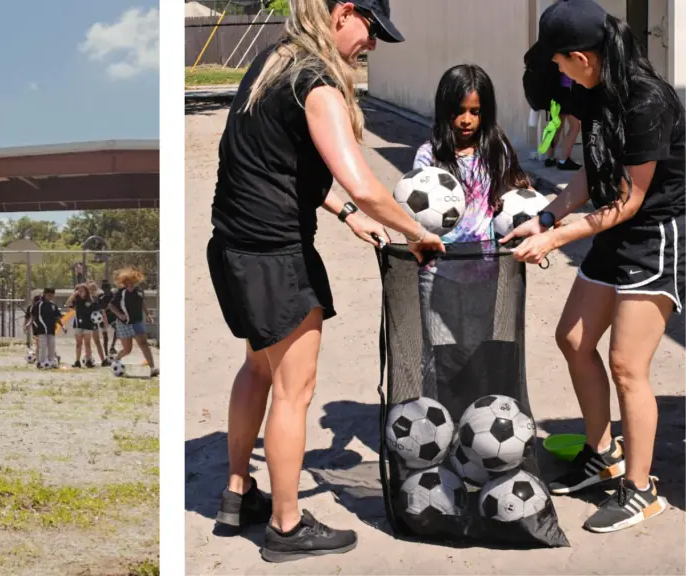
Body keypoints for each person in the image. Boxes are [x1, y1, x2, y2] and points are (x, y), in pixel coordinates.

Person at [206, 0, 443, 563]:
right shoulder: (317, 84)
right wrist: (415, 233)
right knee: (295, 391)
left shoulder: (274, 61)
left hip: (234, 249)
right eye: (372, 28)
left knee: (258, 368)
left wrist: (344, 215)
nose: (374, 44)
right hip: (275, 258)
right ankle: (287, 528)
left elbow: (280, 166)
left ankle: (238, 495)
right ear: (342, 12)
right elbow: (363, 182)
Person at [507, 0, 684, 533]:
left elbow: (629, 200)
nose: (557, 72)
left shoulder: (648, 101)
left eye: (559, 62)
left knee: (628, 366)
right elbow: (593, 169)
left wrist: (559, 236)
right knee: (574, 340)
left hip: (651, 235)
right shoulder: (594, 91)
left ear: (582, 56)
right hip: (612, 229)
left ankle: (641, 488)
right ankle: (602, 451)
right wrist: (546, 215)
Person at [413, 64, 533, 396]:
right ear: (444, 110)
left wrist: (539, 211)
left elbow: (515, 195)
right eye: (458, 111)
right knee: (440, 352)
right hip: (438, 274)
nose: (466, 120)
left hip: (485, 272)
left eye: (475, 112)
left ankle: (474, 420)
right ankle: (439, 424)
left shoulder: (497, 150)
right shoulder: (429, 157)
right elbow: (412, 213)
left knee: (478, 351)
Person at [108, 267, 159, 378]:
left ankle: (152, 368)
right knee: (127, 350)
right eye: (127, 283)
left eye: (132, 283)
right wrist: (120, 315)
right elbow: (111, 306)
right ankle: (116, 360)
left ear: (135, 282)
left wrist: (147, 314)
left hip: (137, 322)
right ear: (124, 283)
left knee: (143, 344)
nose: (130, 285)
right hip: (123, 323)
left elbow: (141, 303)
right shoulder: (121, 293)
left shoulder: (139, 292)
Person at [544, 72, 583, 171]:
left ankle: (549, 158)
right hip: (567, 91)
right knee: (575, 127)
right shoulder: (569, 56)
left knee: (556, 126)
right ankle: (564, 161)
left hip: (555, 91)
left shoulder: (552, 56)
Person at [67, 284, 97, 368]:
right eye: (79, 291)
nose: (80, 292)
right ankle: (77, 361)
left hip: (88, 325)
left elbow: (96, 311)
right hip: (78, 324)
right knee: (78, 343)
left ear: (86, 291)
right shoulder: (76, 300)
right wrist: (73, 295)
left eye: (82, 290)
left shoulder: (91, 300)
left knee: (87, 344)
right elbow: (68, 303)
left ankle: (88, 360)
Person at [34, 287, 62, 367]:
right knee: (43, 346)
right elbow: (34, 317)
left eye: (52, 295)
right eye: (49, 295)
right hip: (42, 329)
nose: (50, 297)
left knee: (52, 345)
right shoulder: (39, 304)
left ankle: (51, 361)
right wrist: (36, 327)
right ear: (45, 294)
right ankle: (41, 362)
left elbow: (57, 317)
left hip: (51, 329)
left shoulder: (53, 305)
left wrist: (61, 326)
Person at [86, 281, 111, 366]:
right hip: (85, 324)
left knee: (97, 341)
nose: (92, 291)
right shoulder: (83, 300)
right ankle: (88, 360)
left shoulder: (97, 300)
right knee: (87, 343)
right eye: (90, 289)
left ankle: (103, 360)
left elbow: (102, 311)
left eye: (94, 289)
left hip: (93, 324)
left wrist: (105, 321)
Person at [96, 281, 118, 356]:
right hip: (103, 318)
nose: (107, 291)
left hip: (113, 318)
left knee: (117, 329)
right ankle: (106, 355)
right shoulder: (100, 297)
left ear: (110, 288)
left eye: (108, 289)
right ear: (103, 290)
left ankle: (112, 347)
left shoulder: (114, 296)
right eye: (105, 290)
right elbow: (99, 308)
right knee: (105, 338)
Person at [24, 294, 43, 361]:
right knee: (38, 343)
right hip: (36, 327)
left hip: (43, 327)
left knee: (42, 343)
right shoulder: (31, 307)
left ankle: (41, 357)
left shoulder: (43, 307)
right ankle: (38, 359)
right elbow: (27, 317)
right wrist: (25, 325)